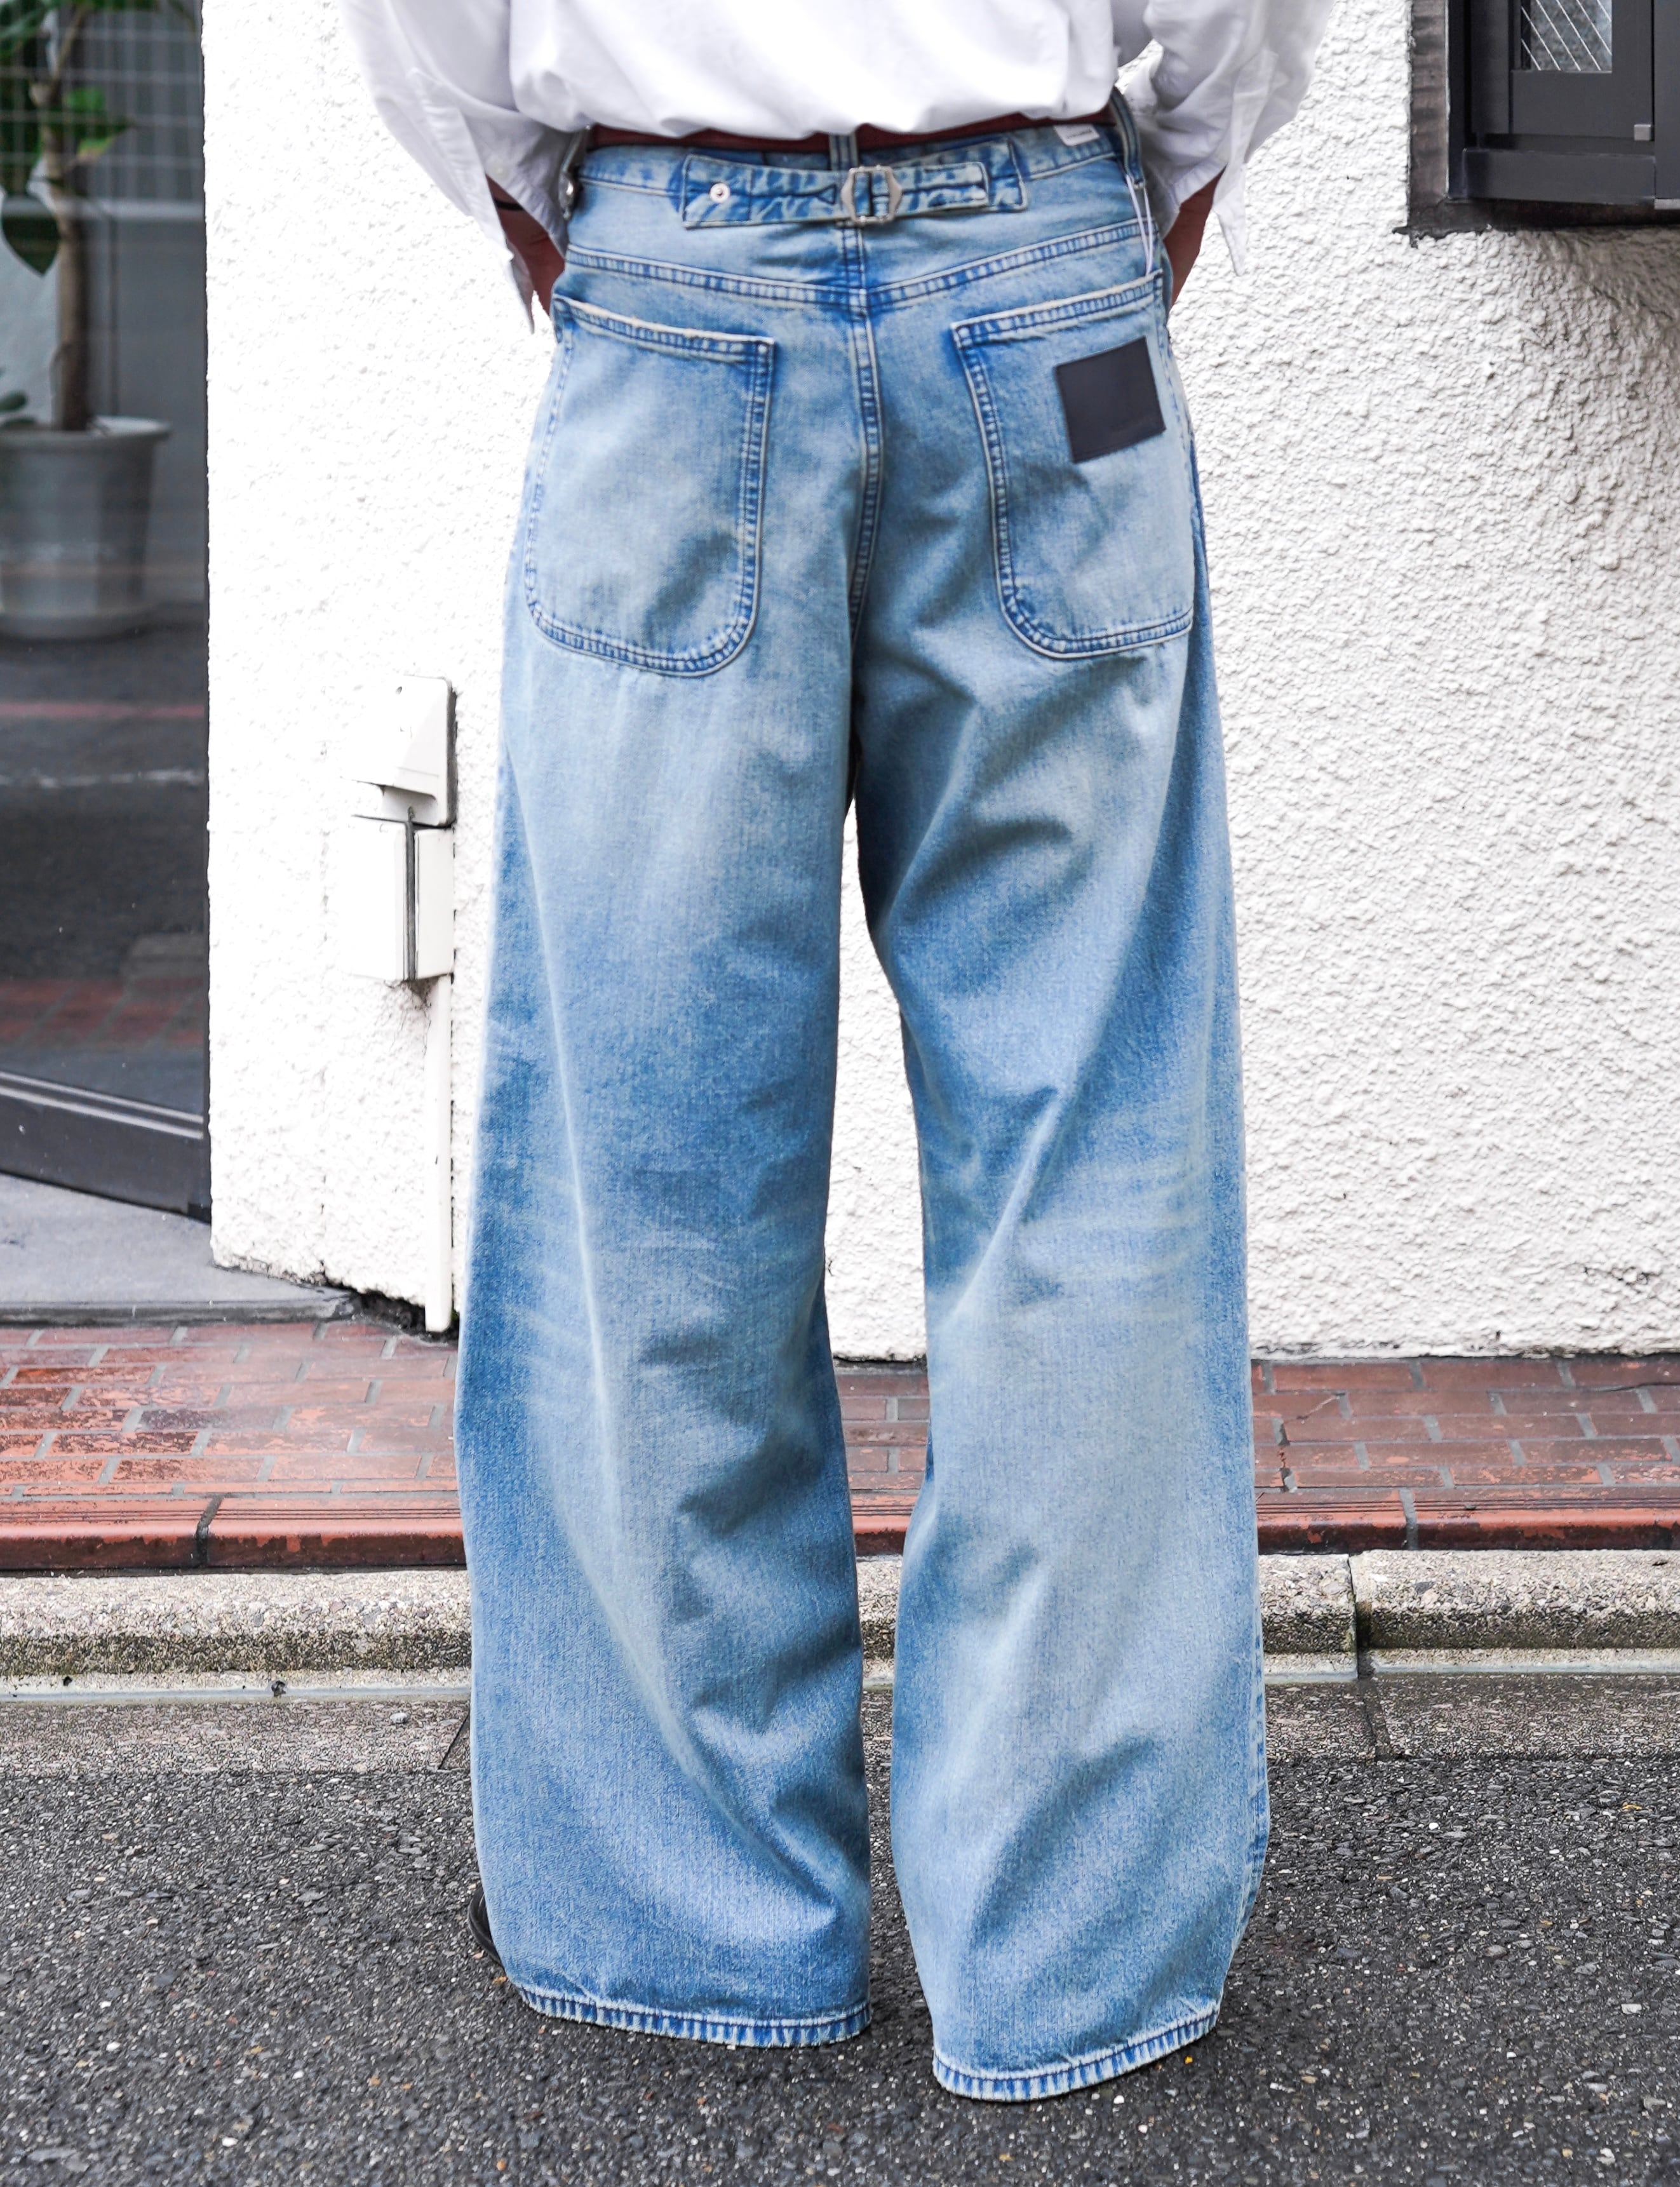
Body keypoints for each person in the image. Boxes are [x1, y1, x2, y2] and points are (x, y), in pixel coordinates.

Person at [344, 0, 1330, 2104]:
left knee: (647, 1153)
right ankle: (1068, 1945)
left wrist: (560, 201)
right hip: (1046, 291)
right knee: (1089, 1149)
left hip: (673, 296)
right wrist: (1161, 173)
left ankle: (684, 1909)